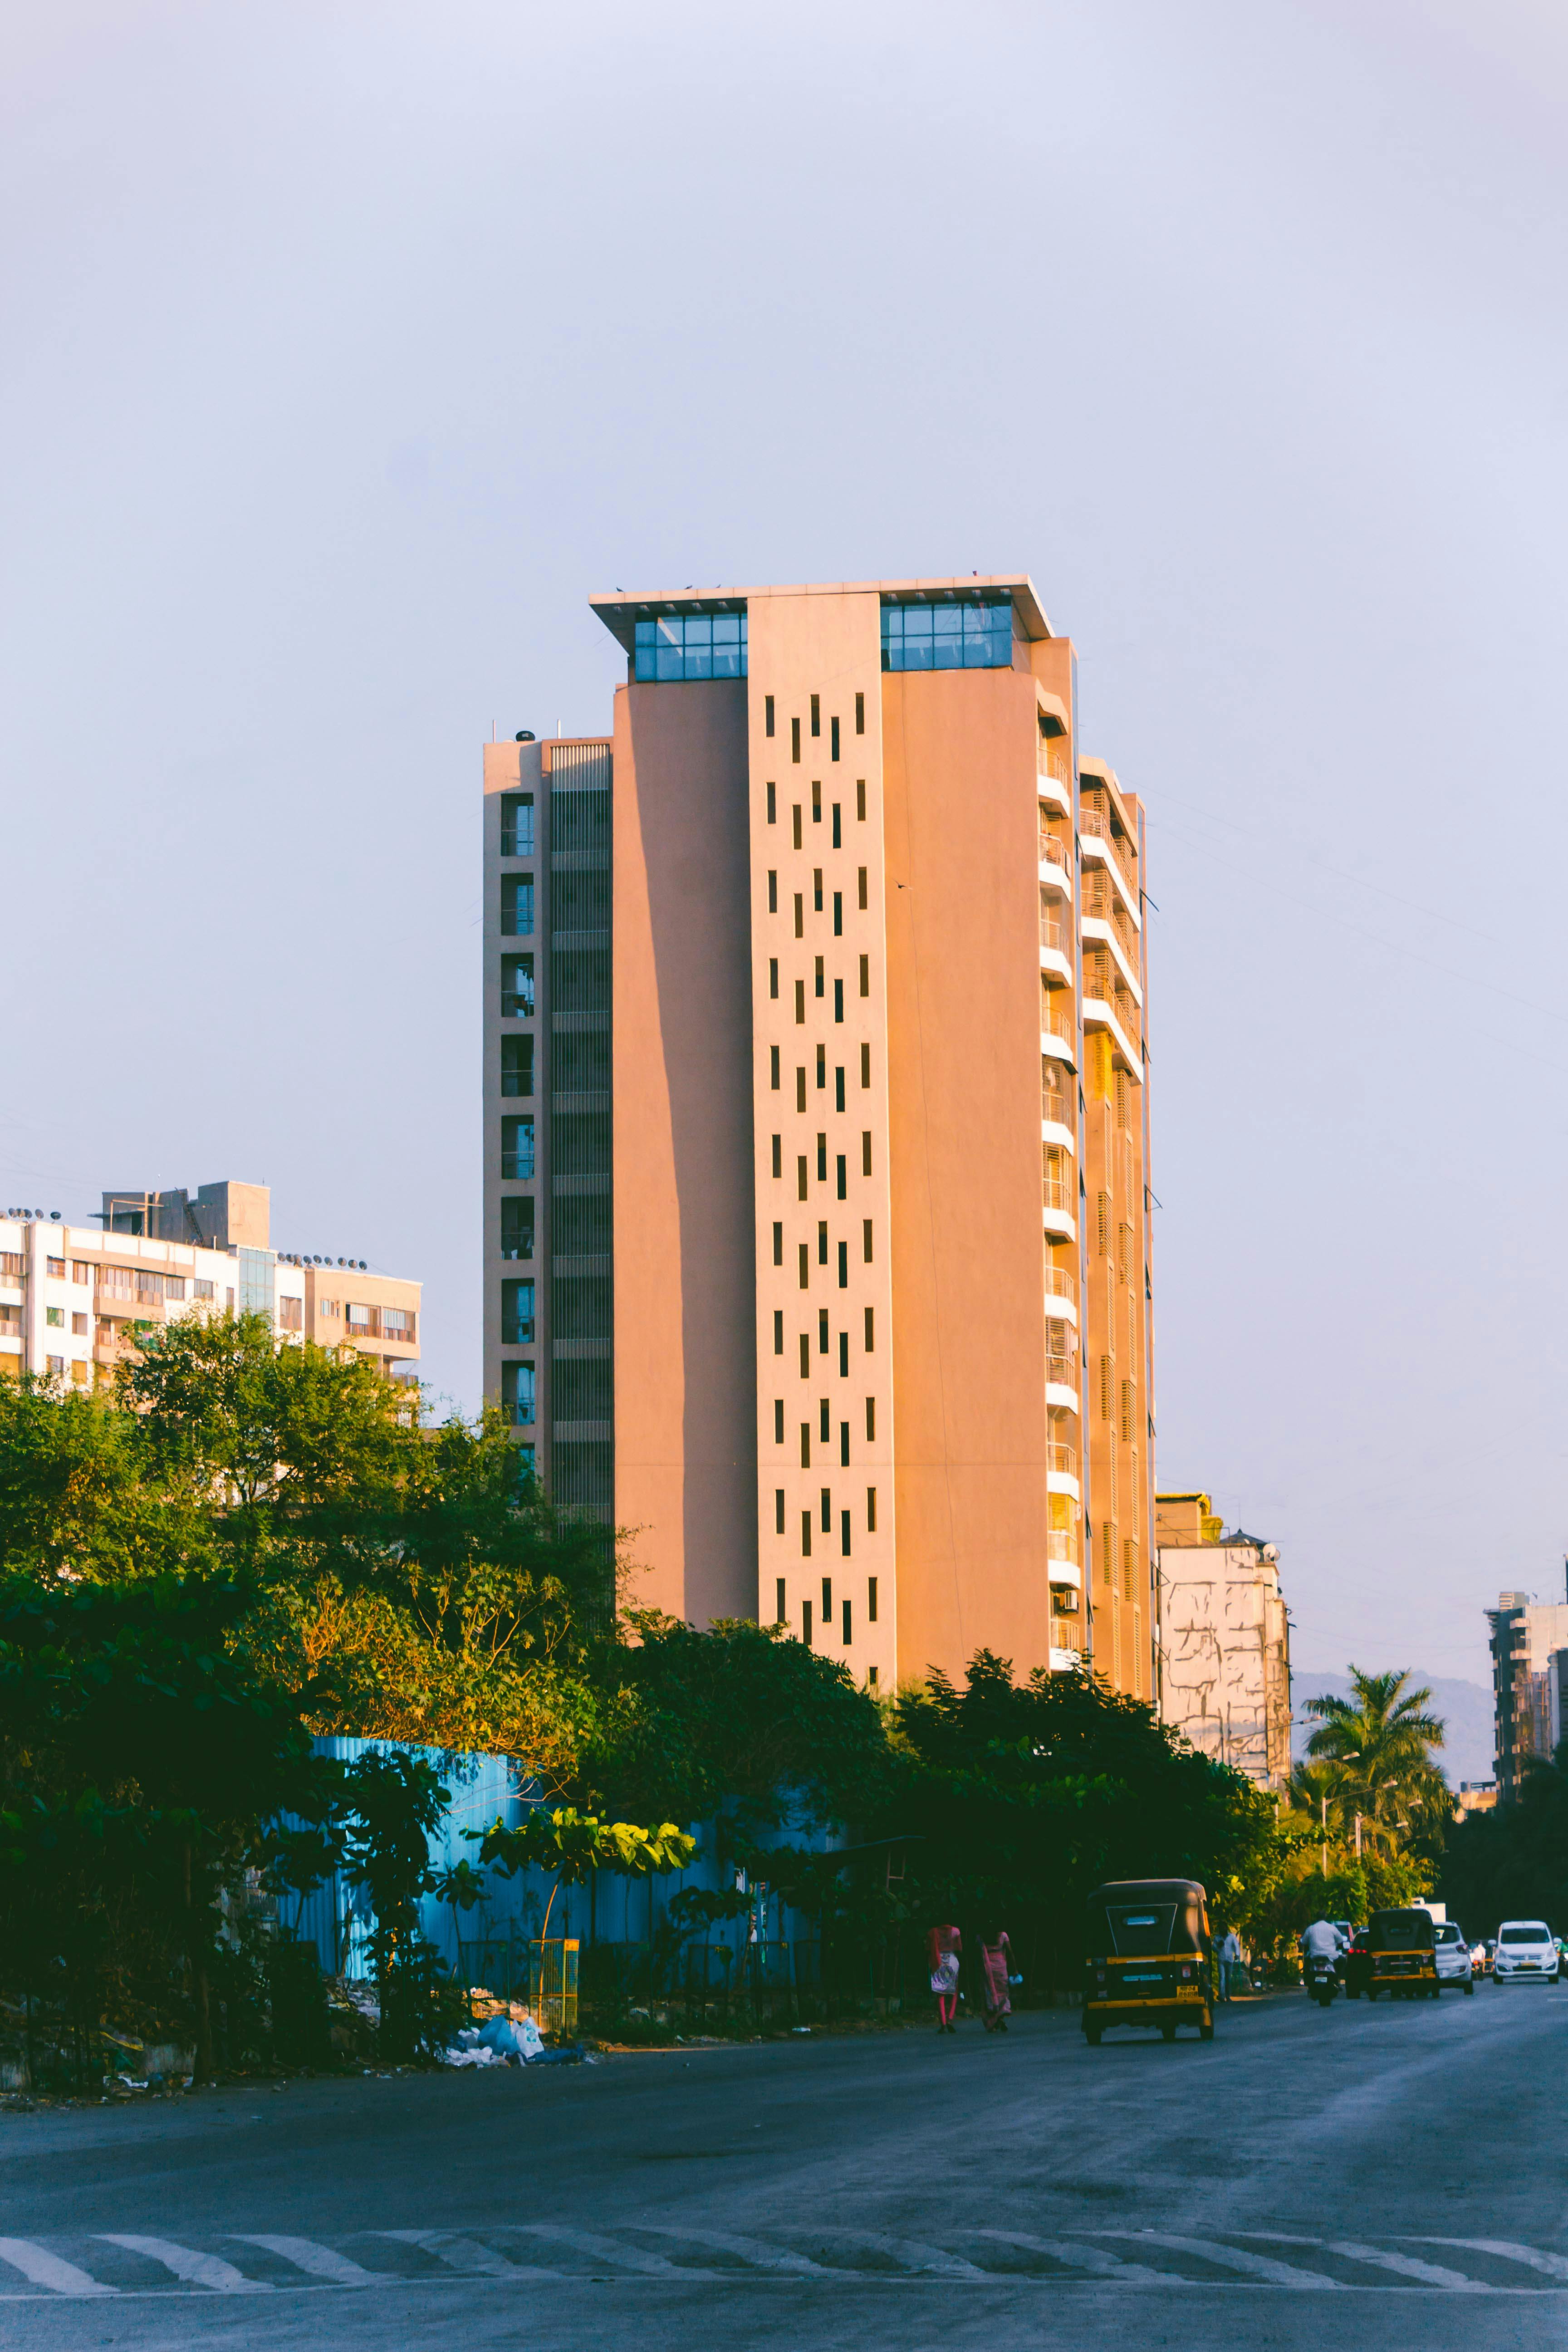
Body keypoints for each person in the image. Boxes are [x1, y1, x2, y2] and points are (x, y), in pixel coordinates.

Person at [978, 1926, 1013, 2032]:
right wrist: (1015, 1970)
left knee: (989, 1995)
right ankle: (1000, 2018)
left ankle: (993, 2022)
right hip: (1001, 1969)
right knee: (1002, 1994)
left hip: (987, 1969)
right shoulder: (1003, 1935)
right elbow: (1010, 1952)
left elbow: (978, 1955)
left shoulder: (981, 1937)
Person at [928, 1922, 962, 2033]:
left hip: (939, 1960)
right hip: (952, 1960)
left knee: (940, 1994)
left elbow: (928, 1948)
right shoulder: (956, 1931)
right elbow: (960, 1948)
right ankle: (950, 2019)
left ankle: (943, 2023)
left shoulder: (933, 1931)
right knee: (954, 1992)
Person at [1218, 1926, 1244, 2002]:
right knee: (1222, 1978)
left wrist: (1237, 1954)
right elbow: (1214, 1947)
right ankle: (1222, 1996)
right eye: (1221, 1929)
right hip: (1221, 1960)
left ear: (1226, 1929)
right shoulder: (1218, 1938)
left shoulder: (1231, 1937)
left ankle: (1228, 1996)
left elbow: (1236, 1945)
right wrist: (1218, 1946)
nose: (1222, 1930)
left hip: (1229, 1960)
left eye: (1223, 1929)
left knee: (1228, 1978)